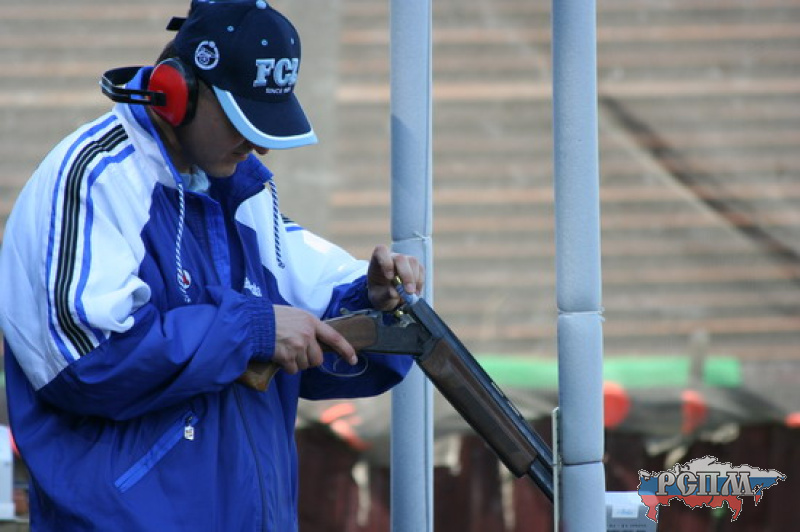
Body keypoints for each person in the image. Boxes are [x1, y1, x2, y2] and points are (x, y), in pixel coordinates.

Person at [0, 1, 423, 530]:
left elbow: (318, 316)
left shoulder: (240, 191)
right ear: (175, 92)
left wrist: (373, 299)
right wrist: (251, 331)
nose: (259, 145)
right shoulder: (92, 177)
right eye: (241, 119)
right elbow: (87, 362)